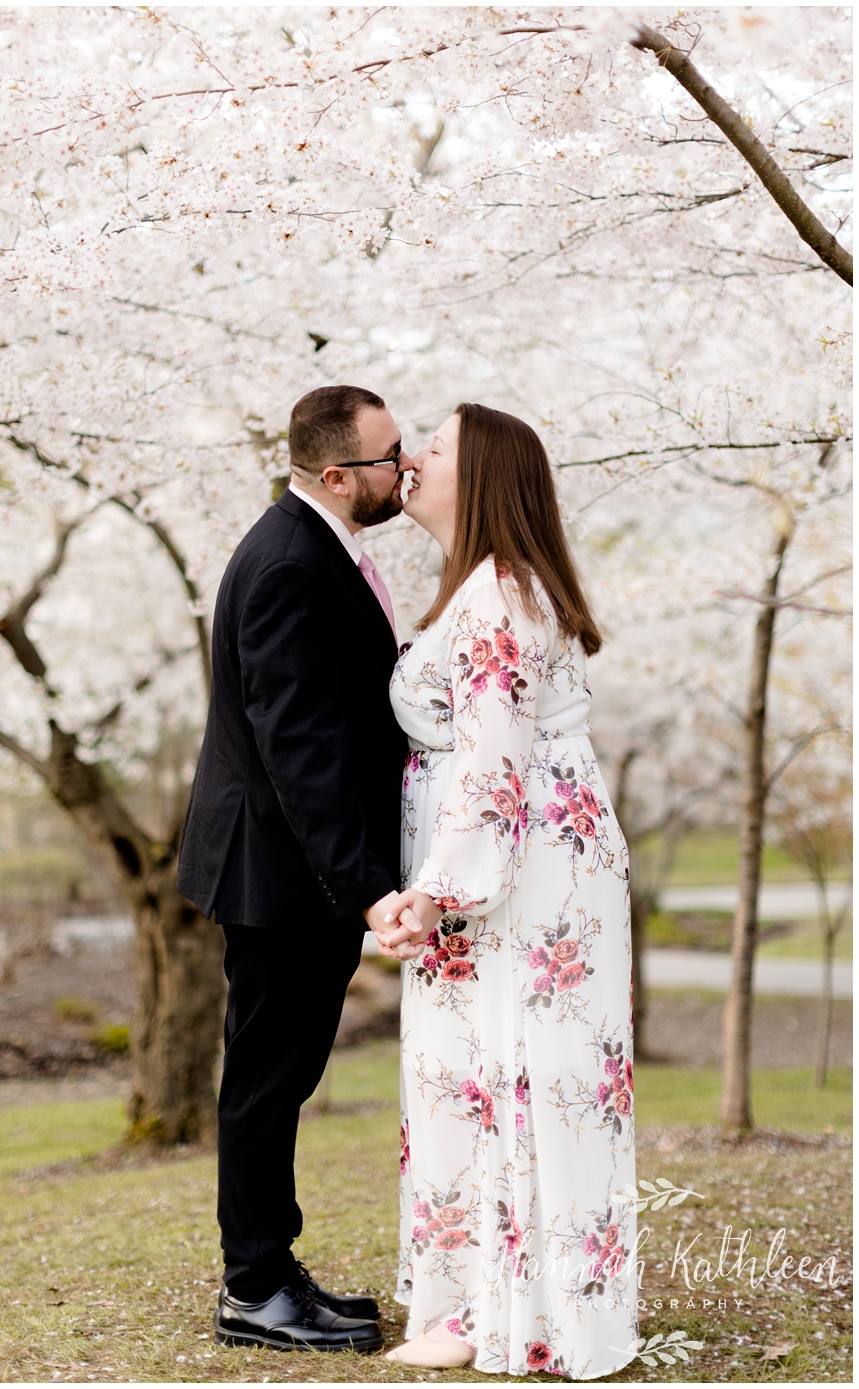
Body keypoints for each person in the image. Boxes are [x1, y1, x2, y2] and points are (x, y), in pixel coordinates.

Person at [373, 404, 636, 1377]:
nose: (409, 459)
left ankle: (515, 1316)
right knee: (493, 1077)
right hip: (529, 860)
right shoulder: (488, 589)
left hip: (517, 875)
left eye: (430, 449)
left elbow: (492, 768)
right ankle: (493, 1304)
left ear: (475, 477)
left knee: (509, 1075)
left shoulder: (496, 596)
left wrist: (438, 896)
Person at [178, 384, 425, 1353]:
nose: (404, 469)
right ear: (336, 475)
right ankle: (254, 1288)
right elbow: (301, 751)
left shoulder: (318, 547)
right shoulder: (288, 563)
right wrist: (366, 887)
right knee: (266, 1080)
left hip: (291, 873)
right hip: (279, 877)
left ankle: (275, 1270)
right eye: (389, 455)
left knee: (279, 1075)